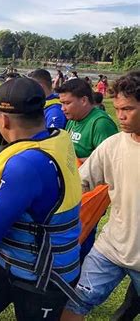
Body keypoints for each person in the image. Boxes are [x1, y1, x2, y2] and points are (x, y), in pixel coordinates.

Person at [0, 77, 83, 320]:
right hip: (8, 261)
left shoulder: (25, 164)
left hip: (45, 275)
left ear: (3, 119)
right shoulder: (58, 138)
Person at [62, 71, 140, 321]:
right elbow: (79, 183)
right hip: (111, 249)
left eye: (128, 108)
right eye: (117, 108)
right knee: (74, 304)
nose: (120, 116)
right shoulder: (113, 145)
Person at [57, 78, 118, 261]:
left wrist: (75, 161)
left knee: (81, 241)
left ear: (84, 100)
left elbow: (110, 162)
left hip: (90, 197)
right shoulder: (73, 120)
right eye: (61, 103)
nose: (63, 108)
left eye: (67, 103)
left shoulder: (100, 123)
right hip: (71, 192)